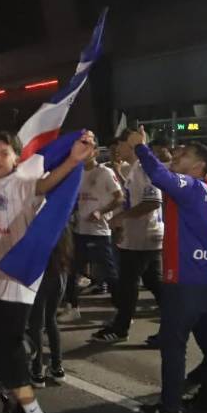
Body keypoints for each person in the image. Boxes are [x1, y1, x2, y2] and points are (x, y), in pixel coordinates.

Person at [0, 130, 93, 413]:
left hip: (19, 280)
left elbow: (46, 184)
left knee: (4, 349)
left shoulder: (21, 184)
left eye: (4, 153)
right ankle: (17, 393)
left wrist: (73, 159)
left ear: (16, 158)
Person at [126, 128, 207, 413]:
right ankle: (206, 403)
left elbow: (160, 177)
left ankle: (170, 406)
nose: (175, 156)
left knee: (173, 346)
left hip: (184, 281)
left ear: (199, 167)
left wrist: (141, 148)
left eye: (184, 155)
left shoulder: (192, 186)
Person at [93, 133, 163, 343]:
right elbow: (135, 196)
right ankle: (174, 323)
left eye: (121, 144)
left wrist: (121, 217)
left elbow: (152, 202)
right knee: (153, 283)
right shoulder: (134, 168)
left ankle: (121, 328)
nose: (117, 149)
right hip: (139, 236)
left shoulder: (144, 169)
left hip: (143, 237)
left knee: (128, 284)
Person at [61, 135, 123, 320]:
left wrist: (101, 212)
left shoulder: (104, 172)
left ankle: (122, 311)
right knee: (72, 271)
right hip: (80, 230)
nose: (85, 154)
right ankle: (73, 308)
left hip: (99, 232)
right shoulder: (76, 174)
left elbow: (119, 197)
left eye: (89, 150)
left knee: (109, 272)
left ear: (95, 152)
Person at [27, 226, 72, 384]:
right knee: (50, 320)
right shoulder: (62, 222)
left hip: (42, 274)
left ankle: (37, 370)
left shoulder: (39, 221)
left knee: (37, 324)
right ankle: (57, 367)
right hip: (60, 273)